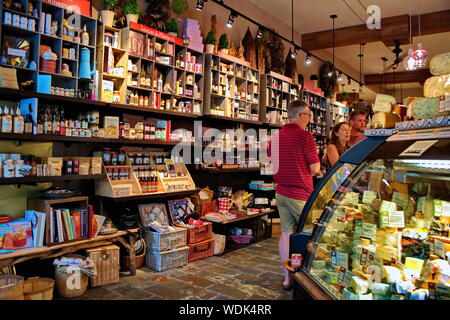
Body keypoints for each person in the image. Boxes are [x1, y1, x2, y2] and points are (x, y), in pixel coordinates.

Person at [268, 100, 320, 290]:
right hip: (300, 193)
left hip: (281, 191)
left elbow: (271, 166)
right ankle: (308, 277)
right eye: (308, 115)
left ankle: (287, 277)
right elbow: (315, 168)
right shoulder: (306, 137)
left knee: (286, 233)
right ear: (300, 116)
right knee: (309, 234)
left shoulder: (274, 138)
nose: (309, 119)